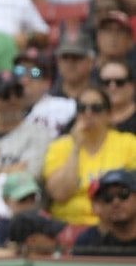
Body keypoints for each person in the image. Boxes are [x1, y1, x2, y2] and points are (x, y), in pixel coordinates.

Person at [43, 87, 136, 226]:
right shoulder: (60, 147)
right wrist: (75, 148)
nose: (88, 113)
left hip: (115, 225)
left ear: (109, 115)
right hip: (66, 224)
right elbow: (59, 194)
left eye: (96, 108)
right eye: (82, 108)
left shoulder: (129, 144)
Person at [73, 169, 136, 256]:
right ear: (100, 204)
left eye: (123, 194)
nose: (115, 202)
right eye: (108, 197)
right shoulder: (88, 242)